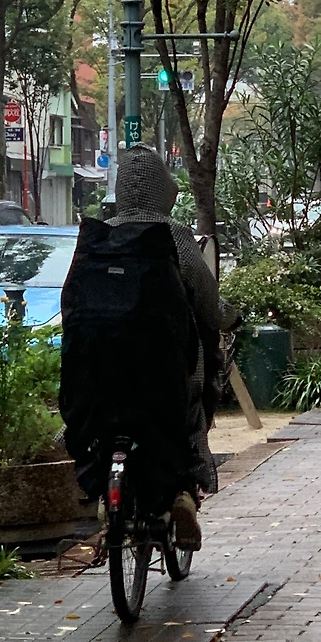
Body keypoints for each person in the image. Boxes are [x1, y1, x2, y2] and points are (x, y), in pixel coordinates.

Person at [105, 144, 229, 549]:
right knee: (199, 388)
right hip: (166, 368)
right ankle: (185, 488)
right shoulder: (174, 235)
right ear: (161, 190)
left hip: (101, 367)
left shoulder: (99, 235)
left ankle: (105, 493)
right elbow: (207, 303)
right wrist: (228, 318)